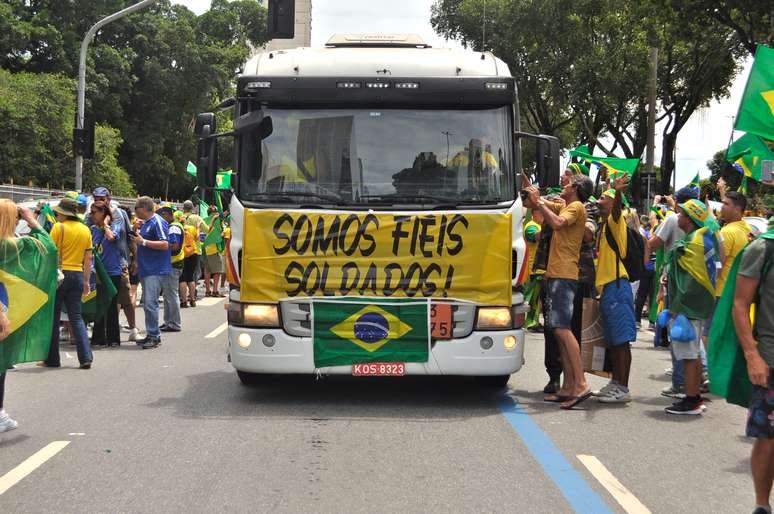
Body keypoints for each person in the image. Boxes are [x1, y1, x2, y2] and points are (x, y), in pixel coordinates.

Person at [524, 174, 593, 409]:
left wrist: (541, 203)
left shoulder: (575, 207)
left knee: (563, 330)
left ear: (575, 188)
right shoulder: (565, 204)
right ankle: (568, 387)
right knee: (557, 330)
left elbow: (557, 223)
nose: (563, 184)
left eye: (568, 182)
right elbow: (532, 202)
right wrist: (530, 189)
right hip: (555, 274)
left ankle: (581, 383)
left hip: (564, 275)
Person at [664, 199, 719, 415]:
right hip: (696, 306)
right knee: (693, 353)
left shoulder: (694, 242)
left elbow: (691, 280)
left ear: (690, 218)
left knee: (688, 355)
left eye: (682, 213)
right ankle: (693, 397)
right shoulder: (702, 238)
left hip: (689, 308)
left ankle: (692, 399)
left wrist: (677, 306)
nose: (678, 216)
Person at [647, 187, 703, 398]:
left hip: (678, 286)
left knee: (680, 338)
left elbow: (654, 243)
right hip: (698, 289)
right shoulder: (708, 224)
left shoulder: (673, 221)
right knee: (692, 338)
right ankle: (690, 386)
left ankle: (683, 387)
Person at [733, 227, 774, 514]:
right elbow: (740, 304)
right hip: (770, 359)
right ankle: (762, 504)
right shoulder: (762, 248)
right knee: (768, 438)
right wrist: (752, 355)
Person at [592, 179, 637, 403]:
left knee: (621, 342)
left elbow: (618, 210)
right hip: (609, 289)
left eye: (603, 199)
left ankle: (624, 388)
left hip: (618, 287)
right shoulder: (603, 226)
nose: (598, 202)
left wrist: (617, 192)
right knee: (613, 341)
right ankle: (616, 382)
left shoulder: (615, 220)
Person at [44, 197, 94, 369]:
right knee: (76, 317)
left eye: (58, 212)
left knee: (54, 317)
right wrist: (87, 282)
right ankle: (85, 357)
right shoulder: (85, 230)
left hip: (60, 275)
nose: (57, 214)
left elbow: (50, 253)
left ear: (64, 213)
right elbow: (88, 259)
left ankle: (52, 359)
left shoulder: (59, 228)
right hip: (78, 275)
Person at [90, 187, 139, 342]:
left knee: (124, 297)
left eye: (102, 198)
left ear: (108, 199)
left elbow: (129, 237)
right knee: (104, 301)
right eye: (96, 198)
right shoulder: (91, 219)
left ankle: (132, 328)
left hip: (119, 264)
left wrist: (135, 258)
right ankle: (102, 335)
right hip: (100, 267)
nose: (99, 201)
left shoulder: (119, 215)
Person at [133, 196, 172, 349]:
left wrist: (143, 242)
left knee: (150, 304)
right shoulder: (146, 223)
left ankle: (154, 336)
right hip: (146, 268)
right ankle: (151, 333)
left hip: (155, 269)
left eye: (136, 209)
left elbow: (165, 244)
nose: (135, 212)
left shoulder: (158, 222)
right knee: (148, 304)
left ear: (143, 208)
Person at [89, 203, 124, 347]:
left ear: (103, 212)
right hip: (98, 272)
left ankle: (113, 338)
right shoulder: (92, 230)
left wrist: (105, 224)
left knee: (110, 306)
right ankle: (98, 338)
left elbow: (111, 238)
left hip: (112, 271)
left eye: (94, 212)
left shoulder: (115, 226)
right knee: (99, 306)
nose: (92, 215)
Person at [156, 204, 183, 332]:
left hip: (173, 265)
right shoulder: (173, 226)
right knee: (168, 295)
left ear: (166, 214)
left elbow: (175, 246)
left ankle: (175, 323)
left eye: (161, 215)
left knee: (171, 295)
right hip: (170, 264)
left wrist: (161, 247)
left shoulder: (174, 228)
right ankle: (168, 322)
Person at [203, 206, 225, 297]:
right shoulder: (217, 220)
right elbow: (221, 233)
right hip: (214, 248)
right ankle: (215, 291)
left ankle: (207, 290)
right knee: (217, 271)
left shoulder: (204, 219)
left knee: (207, 271)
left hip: (205, 248)